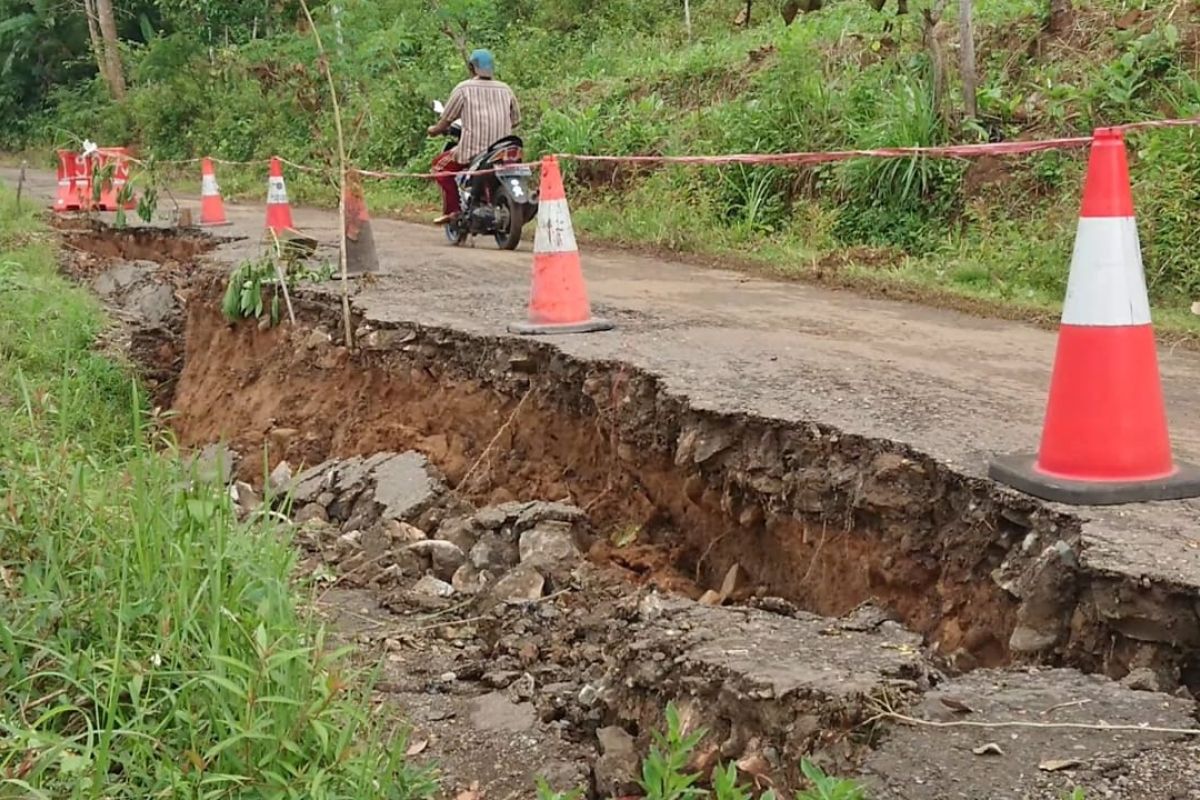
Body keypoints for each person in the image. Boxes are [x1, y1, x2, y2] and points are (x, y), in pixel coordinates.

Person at [427, 49, 521, 225]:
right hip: (504, 150)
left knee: (439, 168)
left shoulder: (464, 89)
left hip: (474, 151)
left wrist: (433, 130)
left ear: (471, 67)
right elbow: (516, 120)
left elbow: (446, 120)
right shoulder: (506, 89)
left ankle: (453, 211)